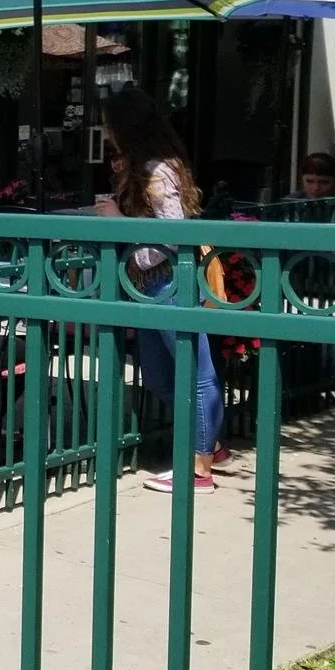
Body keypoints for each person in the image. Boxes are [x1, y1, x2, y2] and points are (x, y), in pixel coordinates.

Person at [96, 86, 227, 495]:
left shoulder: (157, 170)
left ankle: (198, 469)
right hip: (151, 285)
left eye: (109, 125)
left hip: (169, 280)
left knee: (196, 374)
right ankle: (210, 442)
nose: (105, 132)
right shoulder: (143, 166)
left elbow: (173, 234)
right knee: (158, 377)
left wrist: (119, 223)